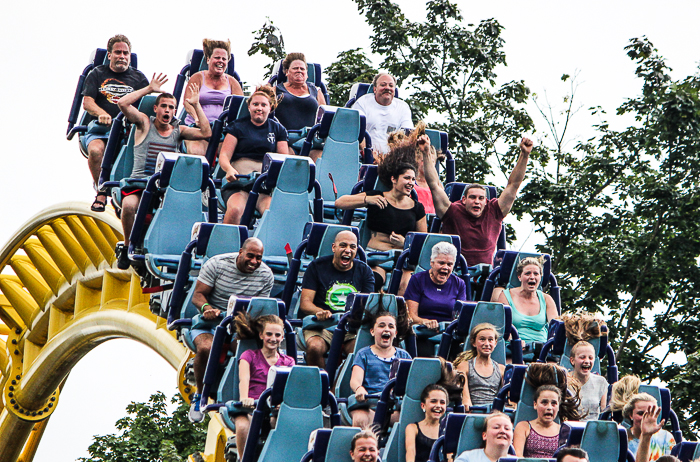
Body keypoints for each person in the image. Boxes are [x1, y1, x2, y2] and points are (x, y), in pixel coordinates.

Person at [116, 74, 211, 269]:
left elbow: (206, 133)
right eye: (164, 107)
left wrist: (196, 105)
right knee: (128, 206)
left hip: (164, 188)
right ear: (156, 109)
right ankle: (127, 247)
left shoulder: (179, 130)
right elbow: (123, 104)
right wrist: (149, 89)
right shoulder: (144, 123)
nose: (167, 111)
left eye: (171, 108)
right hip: (140, 184)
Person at [187, 238, 274, 422]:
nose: (254, 262)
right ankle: (200, 395)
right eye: (250, 256)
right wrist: (207, 309)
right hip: (210, 322)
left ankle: (248, 398)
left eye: (258, 258)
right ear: (240, 252)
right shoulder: (217, 264)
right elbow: (198, 295)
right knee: (206, 349)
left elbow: (259, 308)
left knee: (250, 355)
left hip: (240, 325)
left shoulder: (266, 275)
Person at [422, 137, 534, 265]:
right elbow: (434, 185)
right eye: (472, 197)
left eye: (481, 198)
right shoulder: (452, 211)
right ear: (463, 200)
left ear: (486, 201)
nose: (477, 201)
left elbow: (513, 185)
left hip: (484, 277)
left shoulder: (494, 211)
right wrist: (426, 152)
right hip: (454, 273)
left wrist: (525, 155)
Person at [335, 138, 428, 292]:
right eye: (406, 178)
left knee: (406, 286)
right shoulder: (378, 196)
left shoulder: (417, 207)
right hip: (377, 256)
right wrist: (367, 199)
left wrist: (405, 243)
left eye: (413, 179)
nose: (411, 183)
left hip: (402, 258)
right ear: (394, 179)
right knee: (374, 281)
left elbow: (422, 242)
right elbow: (340, 202)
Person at [81, 34, 149, 212]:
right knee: (96, 151)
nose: (122, 56)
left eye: (125, 53)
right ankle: (102, 190)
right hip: (101, 128)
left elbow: (148, 107)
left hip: (126, 131)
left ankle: (125, 196)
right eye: (117, 52)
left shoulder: (139, 79)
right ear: (109, 55)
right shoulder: (97, 74)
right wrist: (102, 114)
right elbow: (87, 102)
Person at [299, 231, 374, 368]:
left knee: (359, 353)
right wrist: (320, 312)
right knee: (315, 348)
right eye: (343, 245)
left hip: (350, 328)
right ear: (334, 247)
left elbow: (368, 305)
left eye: (352, 247)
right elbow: (305, 303)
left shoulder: (365, 271)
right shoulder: (316, 267)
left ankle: (337, 387)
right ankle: (321, 385)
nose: (348, 250)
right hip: (322, 326)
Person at [218, 85, 289, 224]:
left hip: (263, 188)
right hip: (239, 185)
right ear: (249, 107)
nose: (259, 108)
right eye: (255, 104)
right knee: (236, 210)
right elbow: (224, 155)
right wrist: (229, 169)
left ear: (270, 108)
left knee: (273, 213)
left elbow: (284, 159)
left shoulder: (278, 129)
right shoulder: (237, 126)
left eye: (263, 105)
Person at [233, 312, 295, 460]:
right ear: (261, 335)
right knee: (243, 426)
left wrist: (284, 403)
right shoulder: (249, 356)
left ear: (282, 337)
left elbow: (290, 387)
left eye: (277, 335)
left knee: (282, 423)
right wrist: (244, 399)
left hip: (274, 407)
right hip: (252, 405)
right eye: (269, 334)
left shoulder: (288, 362)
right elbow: (244, 379)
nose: (273, 339)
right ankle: (244, 459)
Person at [349, 310, 412, 427]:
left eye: (391, 326)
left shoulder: (404, 356)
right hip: (369, 403)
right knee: (361, 419)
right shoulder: (363, 354)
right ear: (372, 331)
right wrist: (359, 388)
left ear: (395, 332)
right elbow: (355, 379)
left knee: (408, 421)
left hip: (393, 406)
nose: (386, 329)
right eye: (381, 326)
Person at [182, 38, 244, 156]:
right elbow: (187, 103)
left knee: (230, 154)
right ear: (209, 59)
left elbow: (241, 108)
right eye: (217, 57)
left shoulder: (232, 82)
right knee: (197, 152)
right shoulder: (198, 77)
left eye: (224, 59)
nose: (220, 61)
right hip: (197, 128)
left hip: (222, 131)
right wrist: (197, 119)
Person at [491, 256, 558, 355]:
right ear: (519, 277)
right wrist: (515, 341)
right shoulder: (506, 295)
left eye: (536, 274)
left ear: (540, 277)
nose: (532, 277)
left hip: (542, 349)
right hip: (514, 347)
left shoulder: (547, 299)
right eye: (527, 273)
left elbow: (556, 327)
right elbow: (501, 326)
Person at [274, 52, 326, 159]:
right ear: (287, 72)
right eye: (295, 68)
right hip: (285, 140)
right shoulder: (276, 90)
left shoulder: (315, 90)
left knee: (318, 159)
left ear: (307, 73)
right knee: (289, 161)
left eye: (302, 69)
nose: (299, 71)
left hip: (310, 140)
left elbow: (325, 116)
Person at [404, 241, 467, 328]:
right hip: (423, 331)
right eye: (441, 263)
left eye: (449, 264)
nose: (445, 267)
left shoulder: (459, 283)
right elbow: (411, 316)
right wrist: (425, 322)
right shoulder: (417, 279)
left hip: (448, 332)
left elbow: (460, 318)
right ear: (432, 262)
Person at [352, 72, 413, 154]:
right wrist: (368, 154)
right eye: (383, 85)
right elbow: (356, 131)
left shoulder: (403, 107)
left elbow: (408, 135)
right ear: (375, 89)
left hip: (393, 159)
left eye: (391, 86)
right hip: (365, 156)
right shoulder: (362, 102)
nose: (387, 88)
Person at [453, 323, 505, 409]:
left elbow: (508, 400)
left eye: (490, 340)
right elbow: (466, 400)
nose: (487, 343)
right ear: (474, 342)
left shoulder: (501, 369)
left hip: (494, 413)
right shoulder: (464, 366)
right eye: (482, 339)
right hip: (472, 411)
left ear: (495, 343)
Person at [513, 385, 562, 458]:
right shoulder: (524, 427)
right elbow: (518, 455)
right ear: (535, 404)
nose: (549, 407)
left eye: (553, 403)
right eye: (544, 402)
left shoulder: (563, 430)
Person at [405, 384, 448, 462]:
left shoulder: (448, 430)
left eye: (442, 402)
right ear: (423, 405)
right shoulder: (413, 428)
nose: (438, 405)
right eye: (433, 401)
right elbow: (410, 452)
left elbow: (450, 457)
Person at [626, 394, 675, 461]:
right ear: (630, 415)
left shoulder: (666, 437)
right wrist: (645, 435)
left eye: (651, 413)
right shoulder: (621, 438)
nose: (646, 417)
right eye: (640, 413)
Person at [568, 341, 608, 420]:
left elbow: (604, 414)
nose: (587, 361)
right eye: (582, 357)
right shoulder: (564, 381)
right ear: (572, 360)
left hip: (592, 428)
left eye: (590, 358)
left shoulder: (601, 382)